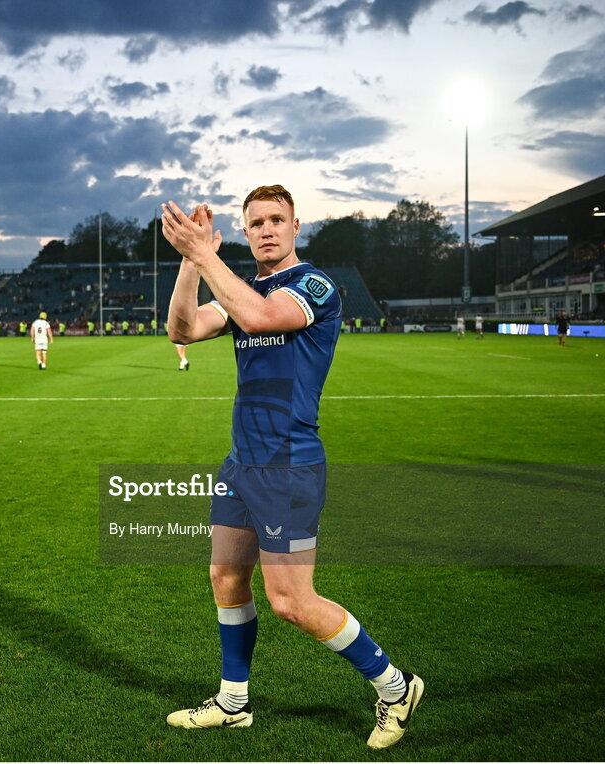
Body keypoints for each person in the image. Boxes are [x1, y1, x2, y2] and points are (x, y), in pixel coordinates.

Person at [162, 185, 422, 749]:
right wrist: (190, 261)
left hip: (288, 464)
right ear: (246, 230)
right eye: (256, 223)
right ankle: (234, 702)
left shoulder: (315, 285)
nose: (266, 231)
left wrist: (207, 256)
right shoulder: (242, 288)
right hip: (243, 462)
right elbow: (181, 330)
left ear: (296, 226)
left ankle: (395, 687)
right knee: (226, 576)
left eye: (276, 220)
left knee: (290, 602)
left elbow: (259, 319)